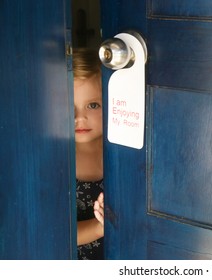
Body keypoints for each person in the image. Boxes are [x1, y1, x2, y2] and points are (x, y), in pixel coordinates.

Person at [73, 48, 104, 260]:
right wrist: (100, 226)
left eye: (92, 105)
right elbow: (52, 229)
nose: (79, 118)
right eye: (69, 104)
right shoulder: (53, 158)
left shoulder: (125, 151)